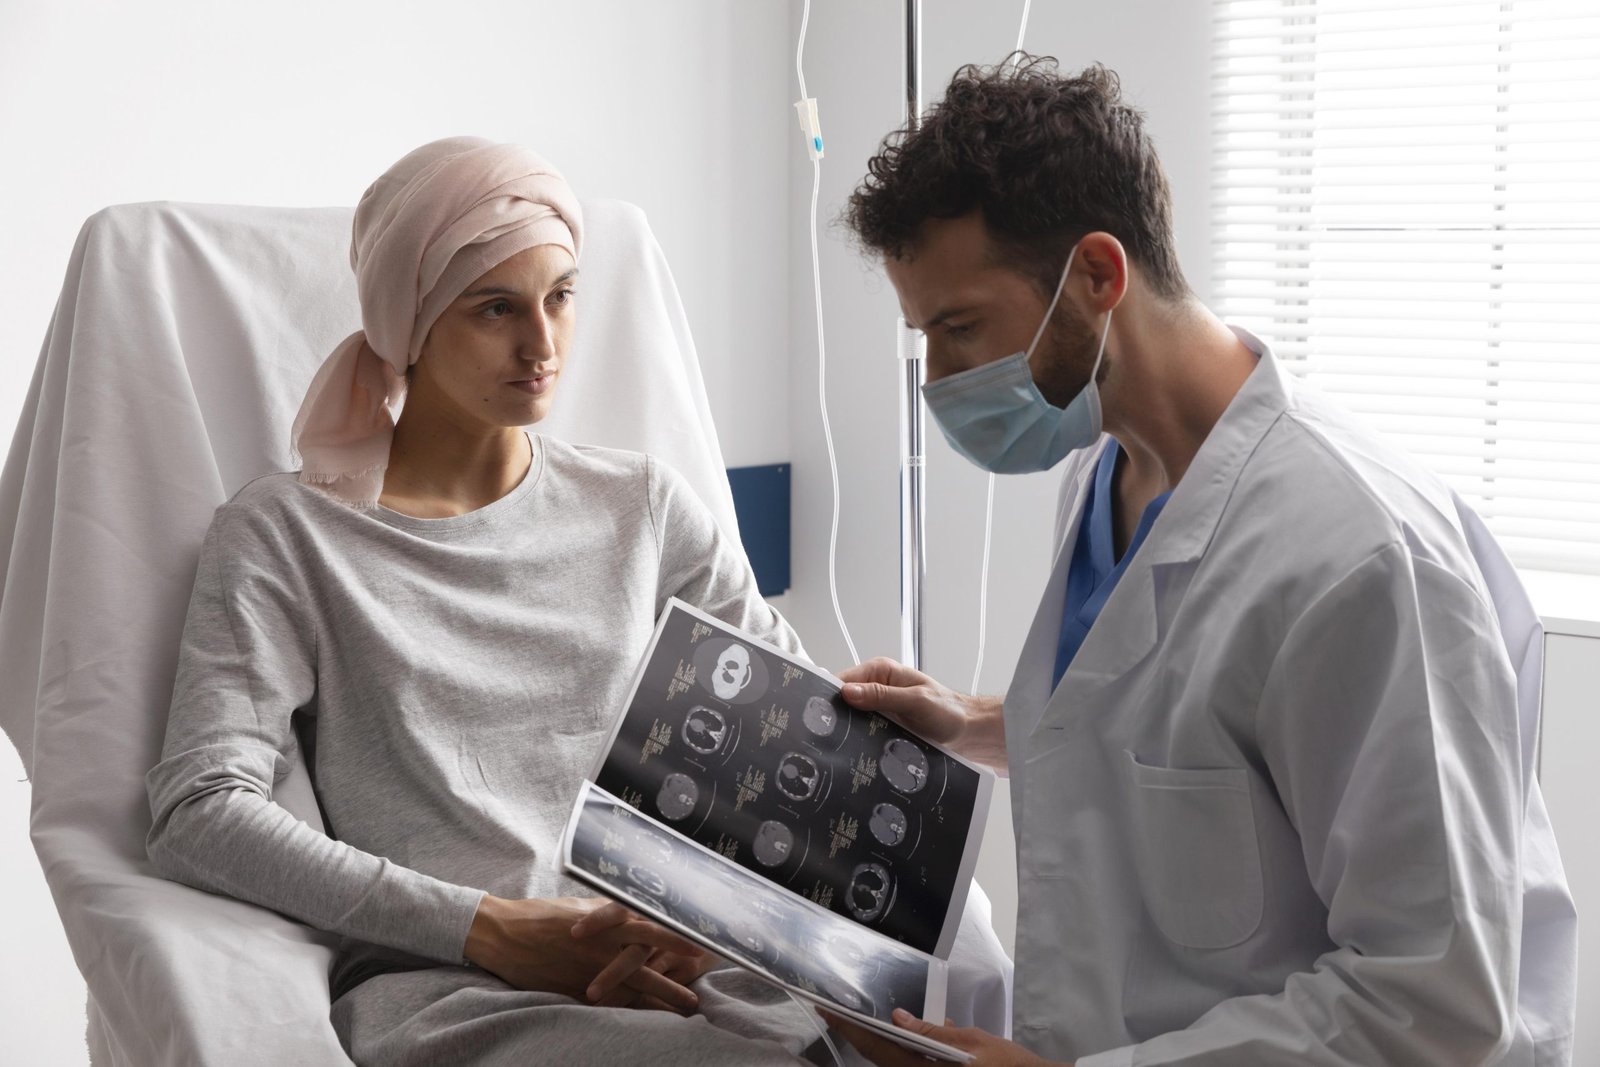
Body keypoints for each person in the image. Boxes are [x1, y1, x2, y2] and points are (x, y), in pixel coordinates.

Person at [824, 58, 1577, 1066]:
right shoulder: (1105, 471)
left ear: (1098, 275)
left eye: (960, 330)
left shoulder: (1355, 558)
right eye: (924, 339)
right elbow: (1182, 734)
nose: (942, 383)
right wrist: (973, 723)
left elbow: (1431, 1000)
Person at [144, 137, 825, 1065]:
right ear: (409, 323)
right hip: (459, 996)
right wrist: (492, 928)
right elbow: (197, 810)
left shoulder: (644, 509)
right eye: (495, 308)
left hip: (693, 975)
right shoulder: (287, 536)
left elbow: (800, 741)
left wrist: (705, 927)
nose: (542, 345)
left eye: (561, 296)